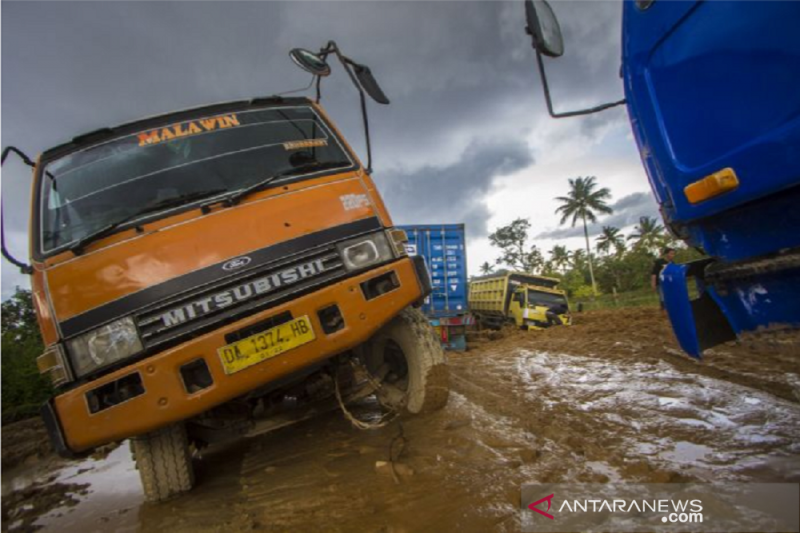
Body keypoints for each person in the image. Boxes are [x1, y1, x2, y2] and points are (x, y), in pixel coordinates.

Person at [652, 247, 676, 311]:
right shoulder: (659, 262)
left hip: (669, 282)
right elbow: (654, 273)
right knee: (662, 296)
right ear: (666, 254)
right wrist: (653, 283)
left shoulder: (672, 263)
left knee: (670, 295)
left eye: (673, 254)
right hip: (660, 282)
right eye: (671, 254)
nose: (672, 255)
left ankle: (668, 308)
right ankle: (663, 309)